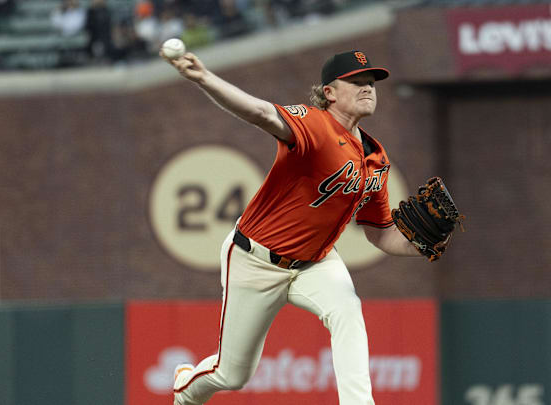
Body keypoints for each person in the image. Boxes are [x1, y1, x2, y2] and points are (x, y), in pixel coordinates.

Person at [164, 49, 422, 405]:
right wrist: (204, 77)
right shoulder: (314, 125)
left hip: (316, 262)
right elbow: (260, 113)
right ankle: (184, 389)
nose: (368, 88)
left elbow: (379, 232)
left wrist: (420, 245)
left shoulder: (376, 159)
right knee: (232, 374)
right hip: (254, 259)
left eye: (371, 82)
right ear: (329, 93)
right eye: (356, 81)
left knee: (347, 310)